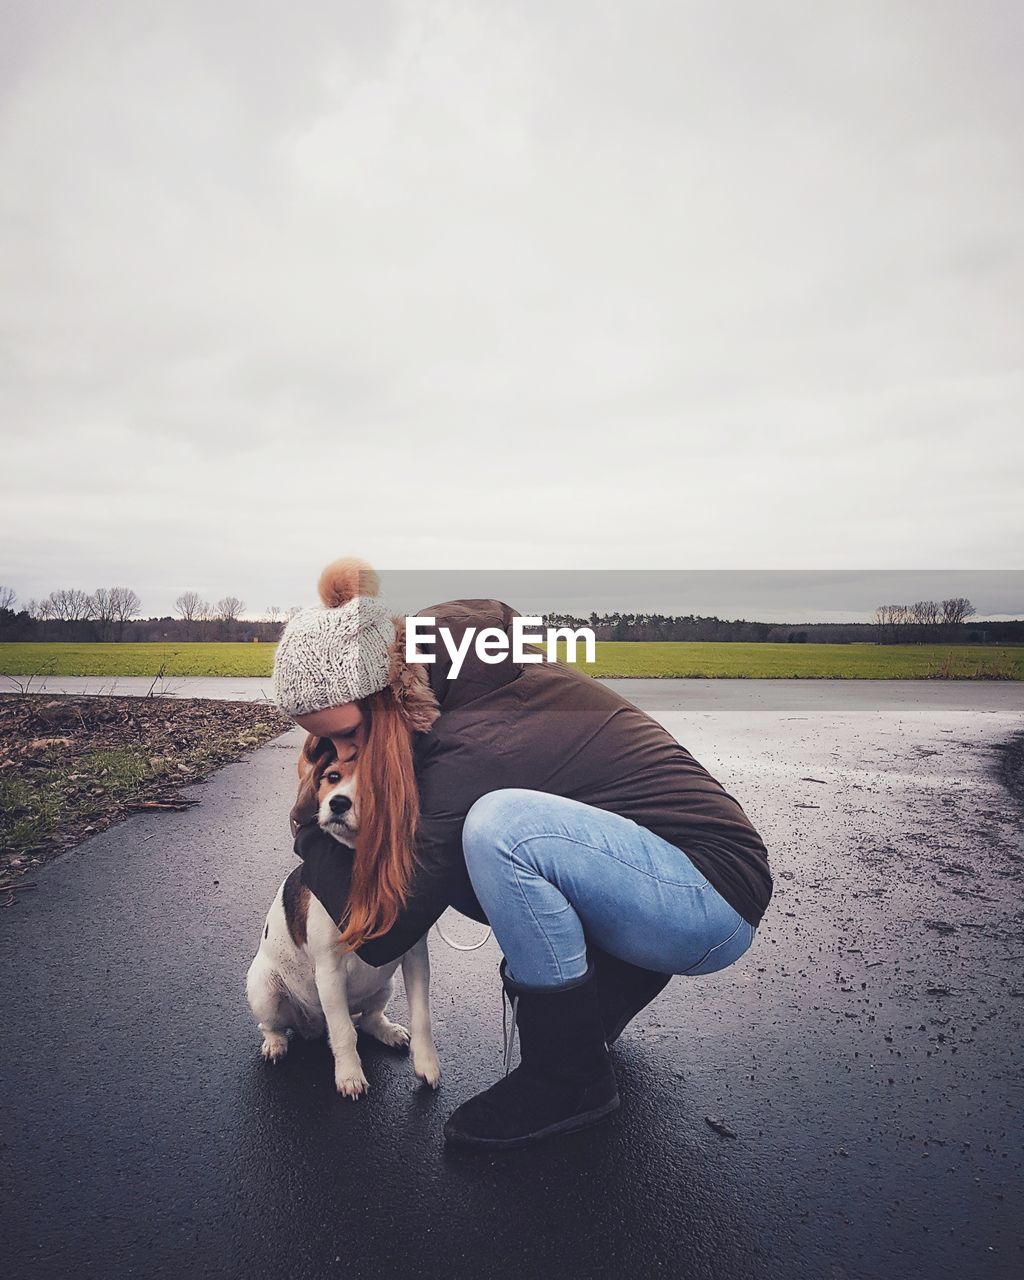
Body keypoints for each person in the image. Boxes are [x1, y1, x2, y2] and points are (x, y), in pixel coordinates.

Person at [273, 558, 772, 1150]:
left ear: (387, 695)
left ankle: (569, 1080)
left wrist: (307, 820)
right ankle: (603, 995)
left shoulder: (476, 737)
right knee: (454, 855)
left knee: (494, 828)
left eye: (349, 735)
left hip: (705, 899)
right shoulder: (449, 685)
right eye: (323, 743)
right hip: (660, 880)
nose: (337, 752)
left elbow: (380, 931)